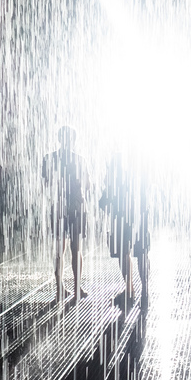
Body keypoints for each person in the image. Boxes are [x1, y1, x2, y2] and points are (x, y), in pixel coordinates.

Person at [42, 126, 91, 304]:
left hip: (58, 208)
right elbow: (88, 185)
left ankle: (59, 289)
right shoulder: (80, 160)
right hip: (77, 209)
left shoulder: (49, 159)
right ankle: (77, 288)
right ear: (74, 140)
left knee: (59, 250)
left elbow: (46, 184)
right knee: (76, 249)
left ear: (59, 139)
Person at [99, 151, 150, 311]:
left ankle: (129, 290)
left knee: (123, 253)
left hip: (120, 219)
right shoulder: (136, 175)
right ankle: (144, 290)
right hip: (139, 218)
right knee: (141, 252)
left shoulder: (115, 178)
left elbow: (103, 202)